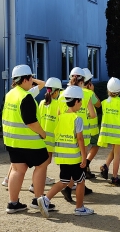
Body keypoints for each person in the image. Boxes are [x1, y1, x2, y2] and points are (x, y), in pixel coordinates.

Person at [2, 65, 50, 216]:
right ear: (25, 79)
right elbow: (30, 121)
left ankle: (13, 203)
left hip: (12, 141)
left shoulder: (11, 94)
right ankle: (38, 200)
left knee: (17, 170)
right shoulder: (26, 97)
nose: (32, 82)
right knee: (42, 164)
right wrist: (43, 133)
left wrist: (28, 78)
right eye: (30, 79)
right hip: (30, 142)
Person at [43, 85, 95, 216]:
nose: (81, 104)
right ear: (76, 101)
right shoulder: (77, 119)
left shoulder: (60, 117)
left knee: (64, 181)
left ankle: (45, 199)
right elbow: (80, 139)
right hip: (74, 157)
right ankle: (80, 208)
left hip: (62, 157)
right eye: (81, 101)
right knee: (80, 181)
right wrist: (84, 157)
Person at [24, 77, 63, 194]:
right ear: (56, 92)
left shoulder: (41, 103)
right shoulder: (59, 104)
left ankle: (36, 183)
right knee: (44, 164)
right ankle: (34, 185)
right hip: (51, 139)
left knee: (42, 163)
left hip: (42, 138)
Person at [62, 67, 97, 194]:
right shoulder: (87, 94)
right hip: (83, 133)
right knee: (82, 162)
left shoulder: (63, 94)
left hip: (67, 133)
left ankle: (69, 185)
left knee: (71, 162)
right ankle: (76, 186)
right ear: (83, 81)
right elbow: (93, 114)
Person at [97, 77, 120, 184]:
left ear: (108, 89)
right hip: (119, 134)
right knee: (117, 154)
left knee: (114, 152)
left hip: (108, 133)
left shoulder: (104, 103)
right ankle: (114, 177)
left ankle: (105, 166)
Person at [82, 68, 101, 179]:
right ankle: (87, 163)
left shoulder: (73, 92)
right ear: (89, 82)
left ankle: (84, 167)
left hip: (78, 127)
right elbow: (98, 104)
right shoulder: (89, 93)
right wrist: (92, 91)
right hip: (91, 127)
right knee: (95, 145)